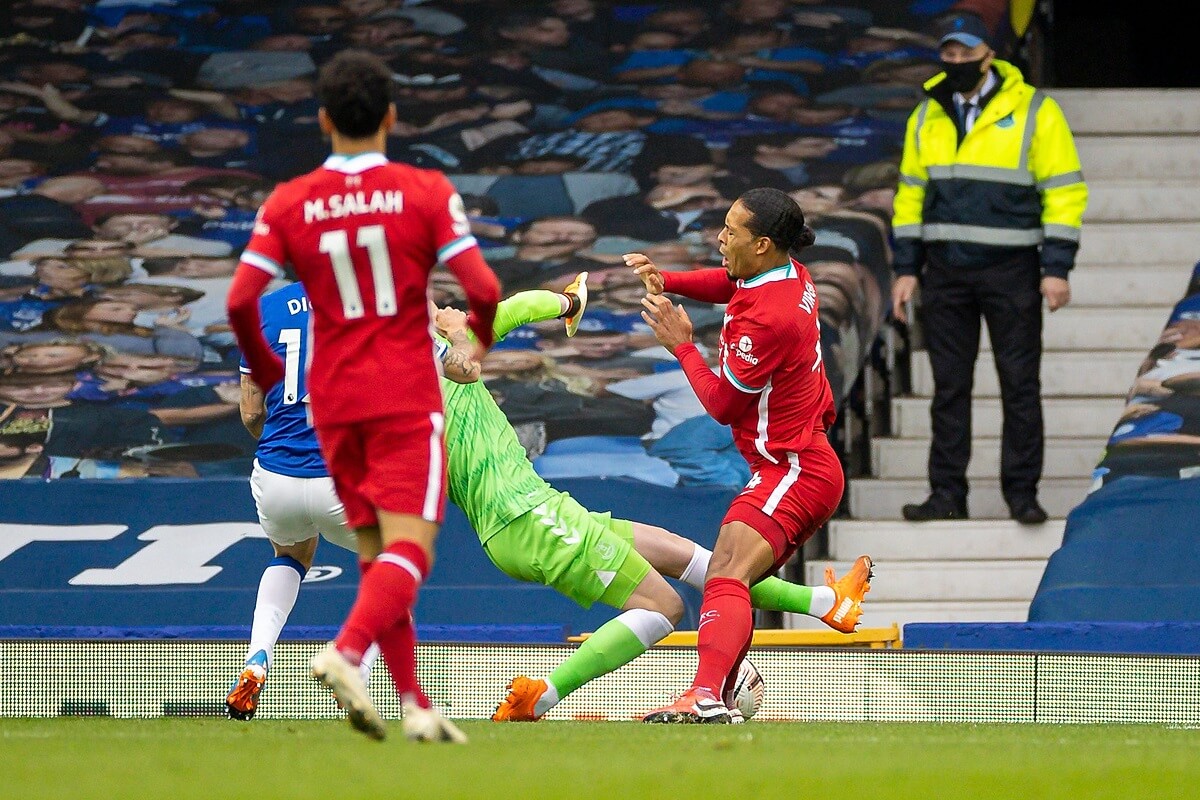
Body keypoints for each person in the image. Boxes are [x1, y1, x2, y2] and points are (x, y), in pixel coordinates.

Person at [225, 50, 501, 744]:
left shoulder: (288, 202)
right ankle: (349, 654)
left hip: (320, 427)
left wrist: (261, 368)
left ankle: (412, 701)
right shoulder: (425, 195)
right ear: (392, 117)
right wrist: (475, 342)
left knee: (377, 557)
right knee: (407, 553)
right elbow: (486, 293)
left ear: (322, 121)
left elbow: (237, 303)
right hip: (398, 411)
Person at [628, 187, 871, 724]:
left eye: (731, 231)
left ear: (761, 243)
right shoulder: (787, 274)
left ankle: (708, 695)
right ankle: (735, 680)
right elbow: (731, 282)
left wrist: (682, 345)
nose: (719, 236)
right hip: (797, 460)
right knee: (730, 574)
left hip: (795, 467)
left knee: (727, 577)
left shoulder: (770, 320)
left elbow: (721, 405)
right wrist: (670, 280)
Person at [889, 13, 1088, 525]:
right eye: (948, 53)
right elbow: (910, 195)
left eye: (965, 53)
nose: (956, 62)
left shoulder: (1036, 110)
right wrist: (907, 268)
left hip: (1013, 269)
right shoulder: (927, 113)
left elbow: (1064, 191)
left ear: (989, 54)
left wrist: (1057, 267)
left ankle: (1022, 494)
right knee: (949, 388)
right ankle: (946, 495)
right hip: (946, 272)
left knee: (1019, 384)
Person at [224, 281, 377, 721]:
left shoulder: (262, 310)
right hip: (341, 476)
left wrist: (285, 443)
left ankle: (256, 659)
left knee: (290, 555)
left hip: (276, 474)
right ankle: (355, 669)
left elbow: (252, 413)